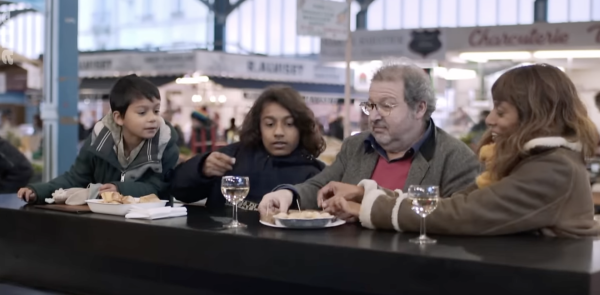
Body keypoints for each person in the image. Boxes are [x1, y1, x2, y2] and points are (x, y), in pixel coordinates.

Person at [323, 64, 600, 238]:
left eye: (500, 111)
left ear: (535, 116)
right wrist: (367, 194)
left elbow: (465, 212)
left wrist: (367, 208)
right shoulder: (535, 161)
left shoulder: (553, 169)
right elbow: (451, 201)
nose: (489, 120)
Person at [258, 62, 480, 217]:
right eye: (371, 105)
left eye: (386, 106)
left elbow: (458, 219)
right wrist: (287, 195)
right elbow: (320, 185)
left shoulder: (455, 159)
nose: (373, 115)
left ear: (419, 108)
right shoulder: (357, 146)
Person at [17, 74, 180, 204]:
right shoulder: (98, 139)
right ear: (119, 117)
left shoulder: (165, 143)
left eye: (156, 111)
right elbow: (76, 178)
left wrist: (120, 188)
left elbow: (158, 187)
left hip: (154, 225)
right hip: (104, 223)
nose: (153, 119)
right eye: (142, 112)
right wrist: (38, 191)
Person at [171, 85, 326, 211]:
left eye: (289, 124)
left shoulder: (314, 173)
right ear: (258, 126)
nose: (279, 132)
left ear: (301, 128)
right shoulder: (230, 158)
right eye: (270, 124)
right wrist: (201, 168)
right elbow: (179, 190)